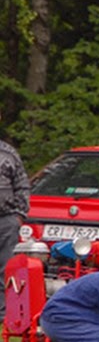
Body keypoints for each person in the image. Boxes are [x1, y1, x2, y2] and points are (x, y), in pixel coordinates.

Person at [0, 136, 29, 326]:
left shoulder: (8, 153)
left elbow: (22, 186)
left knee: (6, 271)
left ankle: (5, 315)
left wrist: (18, 216)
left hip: (6, 221)